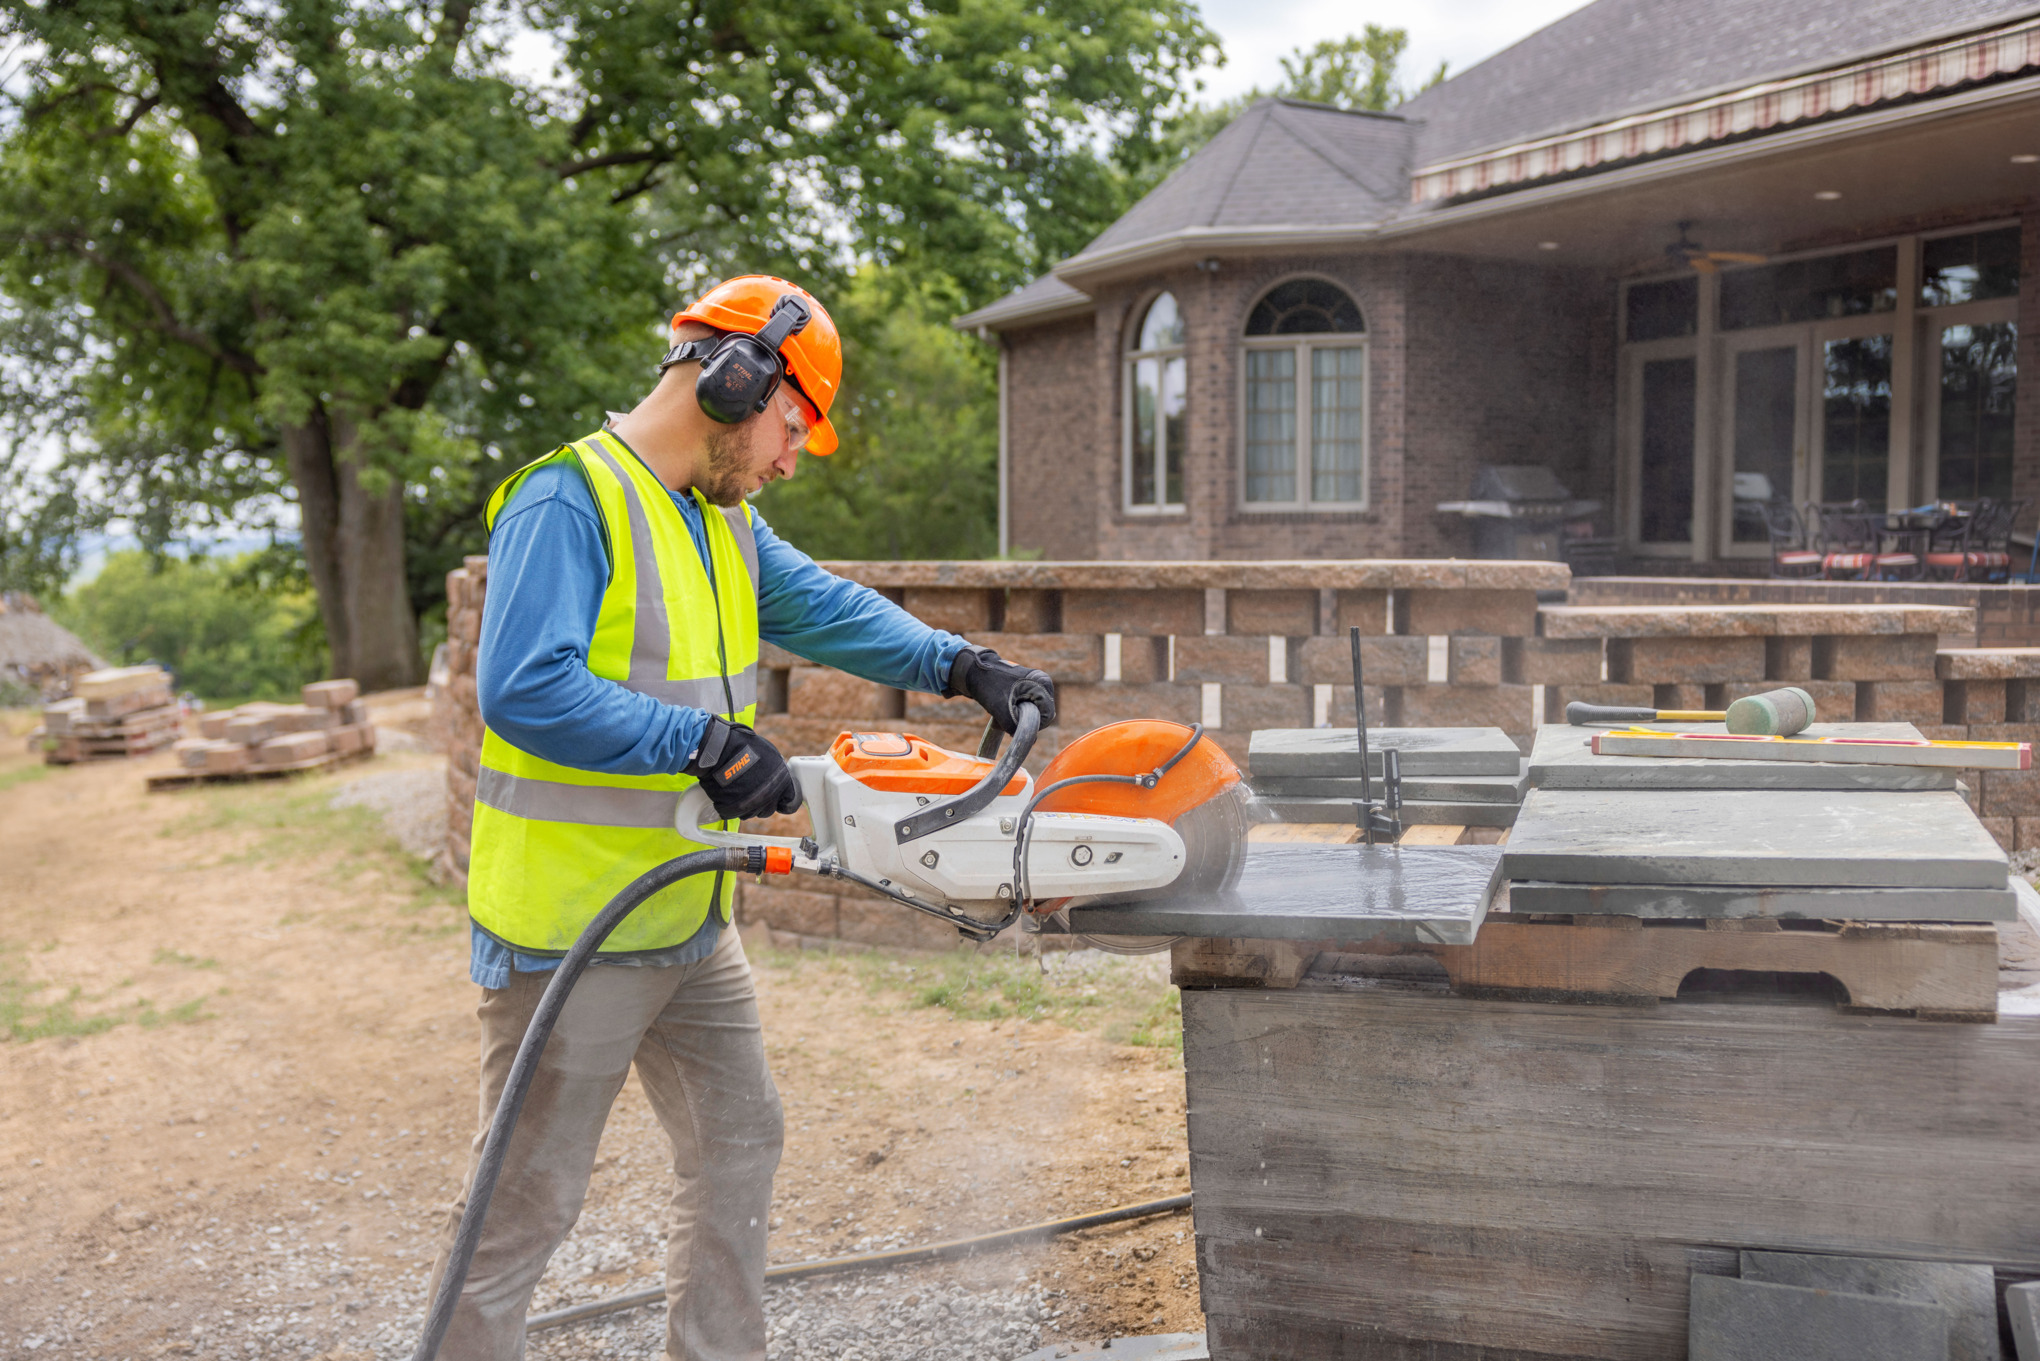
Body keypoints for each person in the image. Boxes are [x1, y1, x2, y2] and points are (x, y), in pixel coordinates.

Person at [425, 275, 1056, 1360]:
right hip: (572, 929)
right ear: (736, 377)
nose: (792, 452)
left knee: (738, 1142)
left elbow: (828, 607)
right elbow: (523, 686)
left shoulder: (721, 522)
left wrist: (965, 664)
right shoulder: (567, 500)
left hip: (685, 914)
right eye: (793, 421)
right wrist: (702, 742)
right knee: (523, 1207)